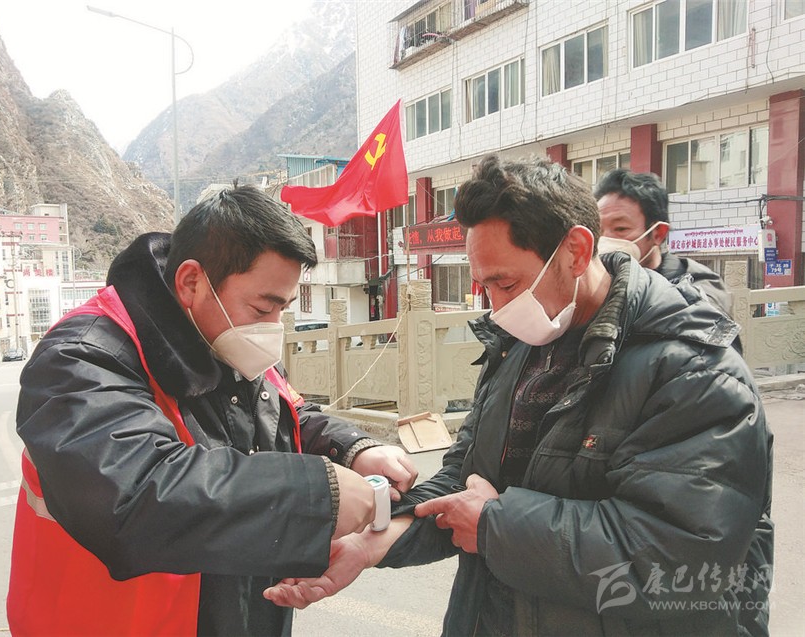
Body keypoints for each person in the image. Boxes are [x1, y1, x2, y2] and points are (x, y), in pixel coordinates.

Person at [264, 156, 774, 636]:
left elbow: (682, 559)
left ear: (576, 251)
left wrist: (496, 526)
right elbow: (466, 477)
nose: (496, 306)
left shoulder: (693, 370)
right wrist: (371, 543)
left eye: (505, 284)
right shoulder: (522, 343)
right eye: (484, 286)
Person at [7, 183, 418, 636]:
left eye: (283, 309)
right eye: (263, 307)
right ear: (191, 282)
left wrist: (353, 449)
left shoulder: (227, 334)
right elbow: (137, 493)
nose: (273, 327)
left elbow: (282, 414)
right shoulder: (83, 357)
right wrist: (317, 496)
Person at [595, 168, 734, 316]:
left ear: (658, 233)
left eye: (621, 228)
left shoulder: (698, 288)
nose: (605, 239)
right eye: (598, 230)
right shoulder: (599, 281)